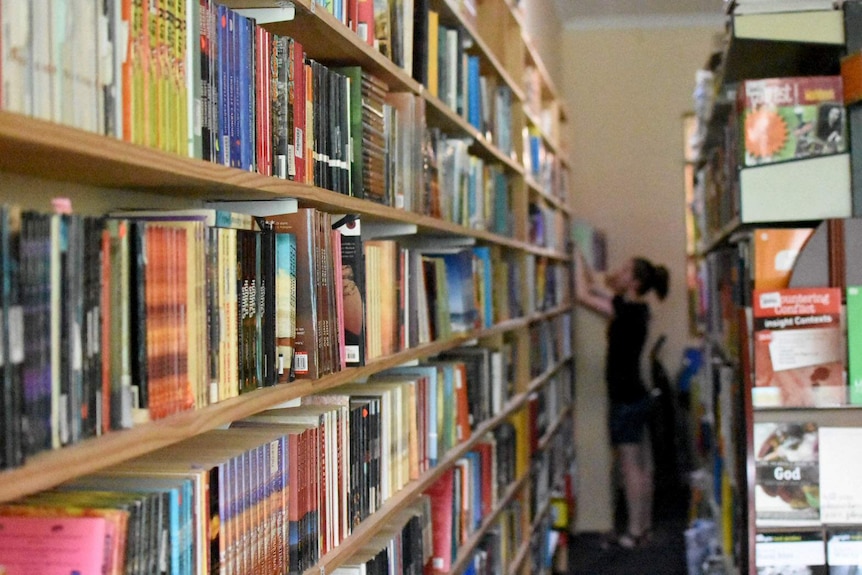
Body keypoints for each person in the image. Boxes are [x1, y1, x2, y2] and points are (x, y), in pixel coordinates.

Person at [575, 250, 670, 549]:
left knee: (630, 467)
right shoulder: (636, 309)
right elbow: (592, 286)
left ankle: (632, 533)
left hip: (626, 397)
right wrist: (584, 262)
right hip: (637, 394)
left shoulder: (625, 311)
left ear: (635, 282)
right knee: (642, 466)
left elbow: (581, 293)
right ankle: (644, 527)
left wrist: (572, 252)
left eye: (625, 270)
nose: (619, 271)